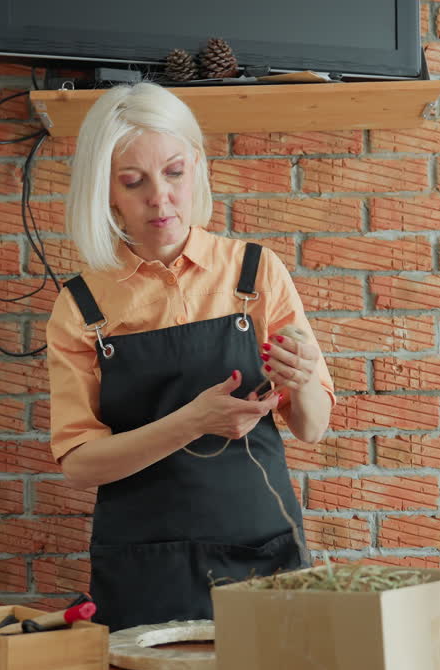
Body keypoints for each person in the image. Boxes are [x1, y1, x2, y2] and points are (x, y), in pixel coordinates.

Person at [45, 82, 335, 632]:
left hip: (260, 549)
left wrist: (303, 383)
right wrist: (192, 422)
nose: (160, 198)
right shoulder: (82, 305)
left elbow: (311, 428)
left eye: (174, 173)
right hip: (142, 563)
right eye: (134, 182)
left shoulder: (255, 273)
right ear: (105, 191)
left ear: (197, 169)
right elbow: (80, 464)